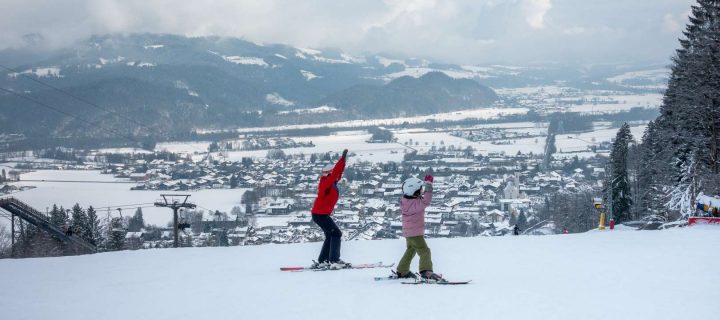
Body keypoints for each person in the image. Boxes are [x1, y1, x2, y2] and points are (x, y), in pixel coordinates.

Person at [394, 175, 443, 281]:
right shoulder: (416, 203)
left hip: (408, 232)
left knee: (411, 250)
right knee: (424, 251)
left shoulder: (405, 201)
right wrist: (429, 186)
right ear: (414, 191)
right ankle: (426, 271)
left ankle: (402, 271)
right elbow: (427, 201)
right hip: (415, 233)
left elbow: (421, 199)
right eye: (420, 189)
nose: (422, 191)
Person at [310, 149, 349, 270]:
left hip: (320, 214)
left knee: (330, 235)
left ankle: (323, 260)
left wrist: (343, 161)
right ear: (329, 174)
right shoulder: (327, 183)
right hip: (320, 215)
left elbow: (338, 172)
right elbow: (336, 172)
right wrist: (341, 160)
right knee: (336, 233)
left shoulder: (331, 182)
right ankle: (334, 260)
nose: (337, 176)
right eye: (334, 174)